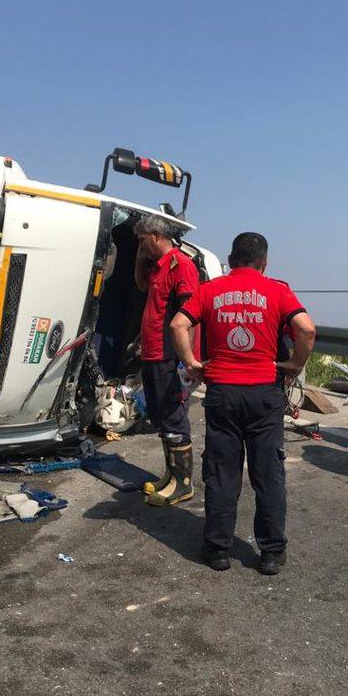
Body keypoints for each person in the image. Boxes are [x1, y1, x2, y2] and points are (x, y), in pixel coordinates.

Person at [170, 232, 316, 575]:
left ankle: (218, 550)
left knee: (222, 474)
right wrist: (295, 365)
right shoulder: (278, 290)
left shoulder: (210, 290)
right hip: (264, 394)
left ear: (231, 259)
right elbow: (306, 330)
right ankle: (271, 553)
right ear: (263, 263)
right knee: (268, 474)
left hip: (222, 394)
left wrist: (191, 362)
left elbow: (179, 324)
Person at [134, 215, 200, 506]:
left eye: (142, 239)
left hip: (168, 354)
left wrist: (188, 360)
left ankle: (183, 484)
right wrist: (139, 257)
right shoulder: (156, 266)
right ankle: (171, 475)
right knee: (161, 417)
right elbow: (140, 287)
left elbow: (191, 315)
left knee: (174, 416)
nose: (140, 245)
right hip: (151, 351)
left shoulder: (180, 265)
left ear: (157, 235)